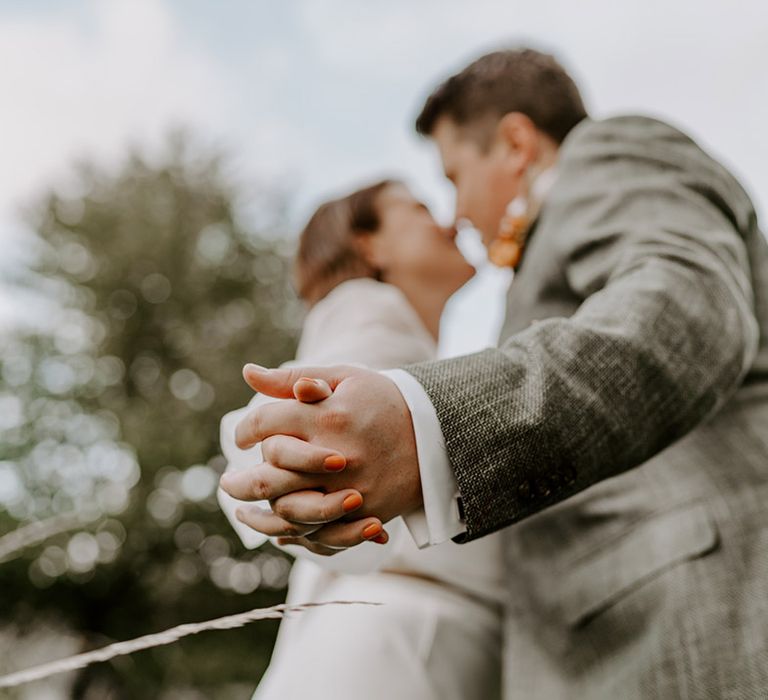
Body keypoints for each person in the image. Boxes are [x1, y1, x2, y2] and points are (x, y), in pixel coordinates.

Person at [221, 47, 768, 698]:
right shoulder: (396, 308)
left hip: (681, 629)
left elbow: (681, 311)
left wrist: (431, 430)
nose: (455, 212)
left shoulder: (611, 155)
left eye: (454, 176)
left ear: (514, 143)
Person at [219, 179, 504, 699]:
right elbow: (273, 417)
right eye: (420, 209)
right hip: (396, 647)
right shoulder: (366, 308)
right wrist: (288, 472)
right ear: (368, 243)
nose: (449, 221)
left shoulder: (407, 337)